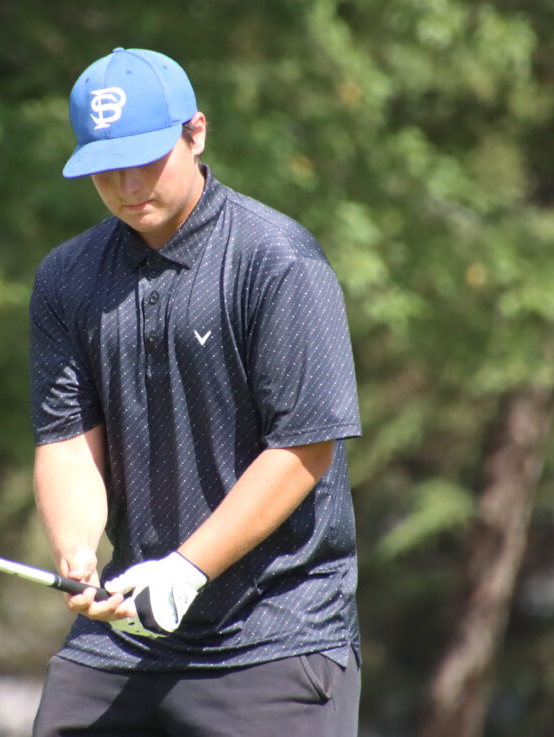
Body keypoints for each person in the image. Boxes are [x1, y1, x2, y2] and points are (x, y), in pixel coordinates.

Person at [29, 48, 362, 737]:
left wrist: (186, 567)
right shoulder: (67, 277)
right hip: (128, 636)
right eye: (104, 167)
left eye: (145, 158)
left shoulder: (278, 261)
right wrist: (77, 553)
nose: (125, 184)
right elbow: (66, 440)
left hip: (276, 635)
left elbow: (304, 449)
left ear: (196, 133)